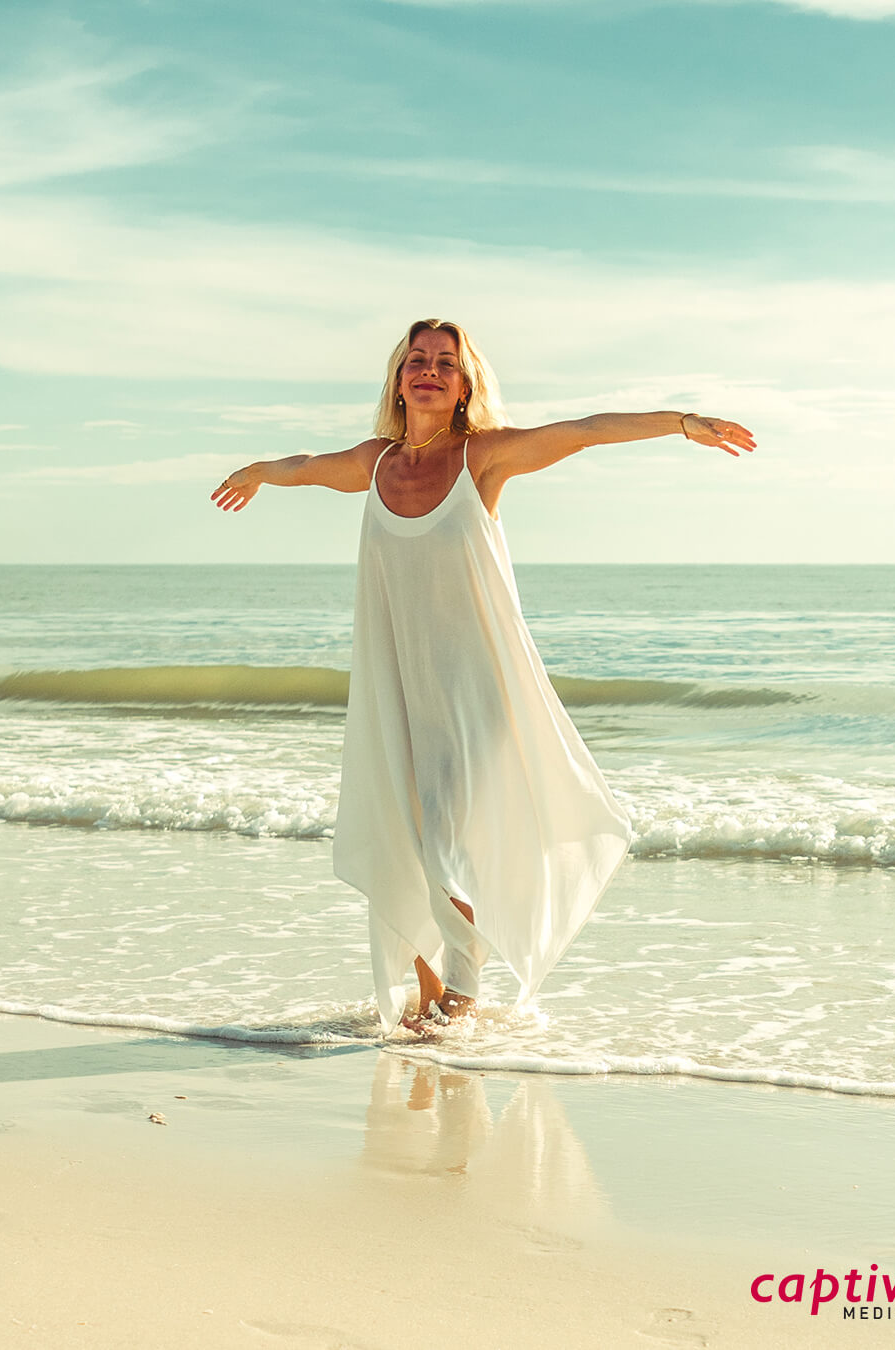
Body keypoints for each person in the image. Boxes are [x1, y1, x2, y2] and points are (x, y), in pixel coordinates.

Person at [211, 318, 755, 1034]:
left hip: (477, 688)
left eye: (446, 363)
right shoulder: (375, 463)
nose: (429, 371)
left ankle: (462, 993)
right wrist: (257, 473)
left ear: (465, 385)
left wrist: (681, 423)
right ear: (398, 380)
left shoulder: (483, 458)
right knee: (405, 839)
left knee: (443, 839)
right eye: (417, 360)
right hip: (398, 687)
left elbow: (583, 431)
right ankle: (430, 992)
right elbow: (307, 465)